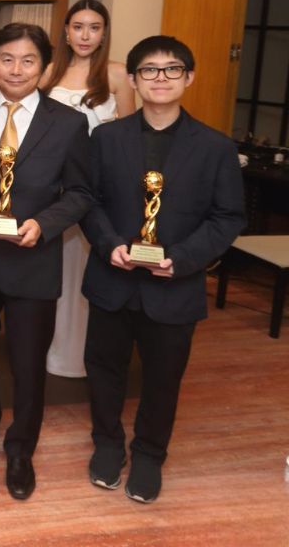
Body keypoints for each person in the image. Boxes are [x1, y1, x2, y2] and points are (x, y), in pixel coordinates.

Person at [80, 36, 244, 504]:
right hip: (113, 278)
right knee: (104, 370)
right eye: (149, 70)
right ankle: (107, 444)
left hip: (176, 286)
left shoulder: (215, 146)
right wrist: (109, 245)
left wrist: (184, 258)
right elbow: (87, 200)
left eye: (172, 69)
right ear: (133, 80)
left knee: (163, 378)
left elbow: (228, 217)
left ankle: (150, 454)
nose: (160, 78)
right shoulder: (106, 138)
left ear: (189, 77)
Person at [0, 22, 92, 501]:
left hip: (34, 260)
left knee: (29, 361)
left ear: (45, 67)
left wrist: (44, 224)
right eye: (6, 59)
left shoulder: (68, 123)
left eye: (28, 60)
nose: (16, 69)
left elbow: (81, 193)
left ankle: (21, 448)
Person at [41, 0, 136, 379]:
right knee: (57, 270)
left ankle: (86, 355)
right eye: (78, 26)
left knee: (90, 269)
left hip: (100, 186)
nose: (85, 35)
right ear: (66, 31)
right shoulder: (48, 72)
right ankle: (53, 351)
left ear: (103, 33)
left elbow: (128, 136)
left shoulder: (117, 74)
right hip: (55, 187)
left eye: (94, 28)